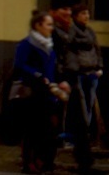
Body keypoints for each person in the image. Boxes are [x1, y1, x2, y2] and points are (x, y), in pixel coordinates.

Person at [13, 9, 70, 174]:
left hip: (49, 94)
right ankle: (30, 163)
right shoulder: (26, 44)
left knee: (49, 131)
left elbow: (53, 68)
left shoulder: (49, 45)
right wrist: (38, 76)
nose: (51, 28)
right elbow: (20, 66)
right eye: (48, 24)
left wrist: (60, 82)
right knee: (33, 130)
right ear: (38, 25)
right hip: (33, 94)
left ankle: (46, 162)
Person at [68, 3, 102, 173]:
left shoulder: (90, 32)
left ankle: (87, 135)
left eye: (87, 13)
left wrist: (99, 68)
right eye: (83, 13)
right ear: (75, 16)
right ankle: (80, 137)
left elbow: (97, 50)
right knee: (81, 109)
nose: (86, 16)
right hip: (79, 74)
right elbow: (72, 51)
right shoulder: (72, 31)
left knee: (89, 107)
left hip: (92, 73)